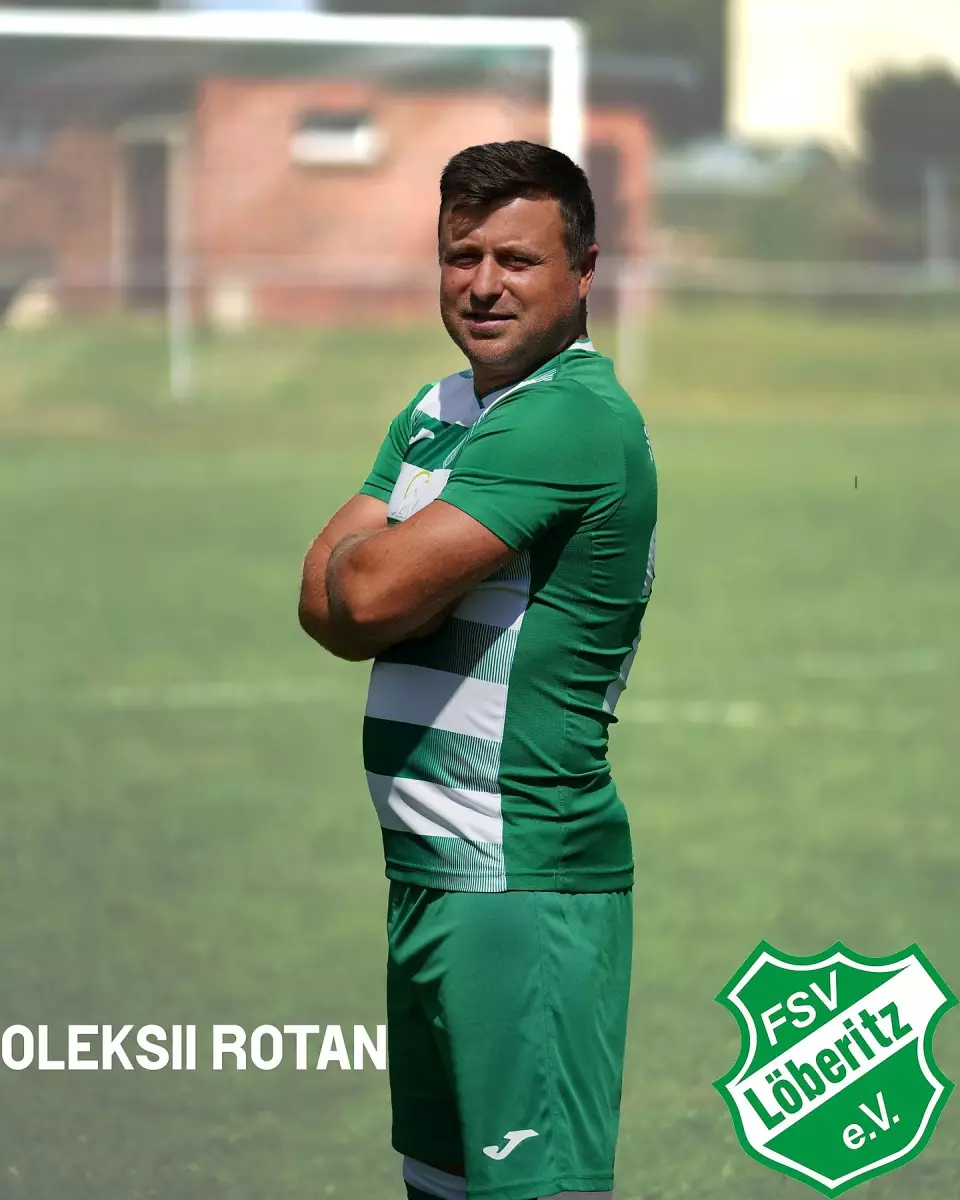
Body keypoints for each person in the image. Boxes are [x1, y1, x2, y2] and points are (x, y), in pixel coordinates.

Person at [298, 140, 657, 1200]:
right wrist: (378, 572)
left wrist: (380, 561)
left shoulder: (567, 414)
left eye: (518, 259)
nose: (485, 285)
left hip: (518, 884)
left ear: (583, 272)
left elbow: (362, 596)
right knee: (442, 1183)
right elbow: (320, 604)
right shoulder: (440, 407)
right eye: (463, 256)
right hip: (427, 873)